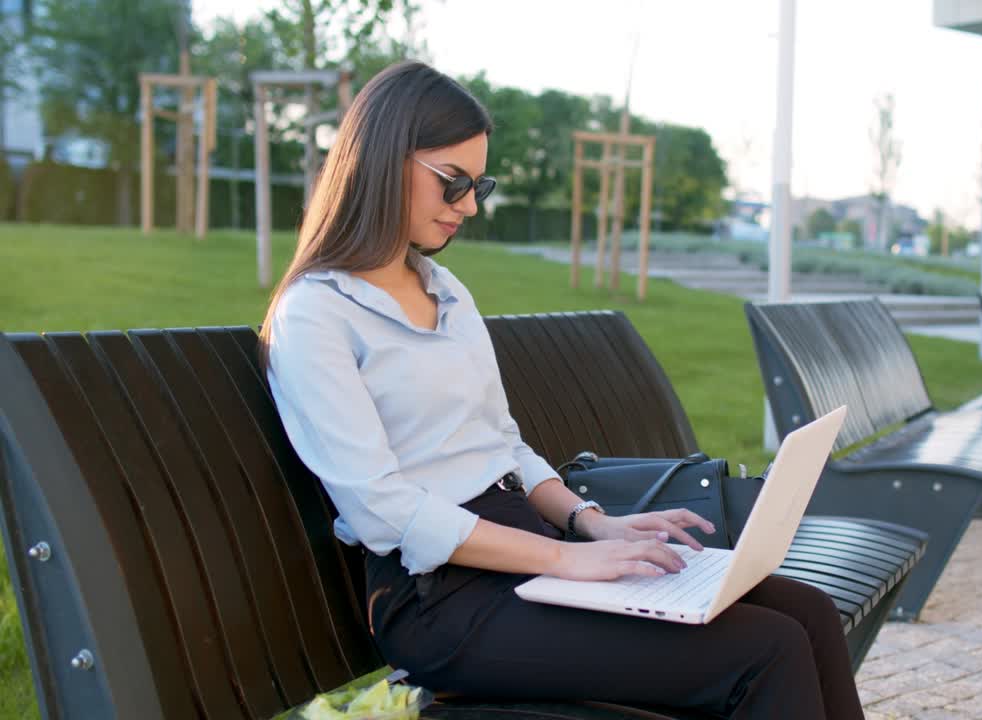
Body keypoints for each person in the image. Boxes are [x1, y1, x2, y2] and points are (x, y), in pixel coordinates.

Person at [260, 60, 864, 720]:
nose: (469, 206)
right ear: (380, 161)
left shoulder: (444, 290)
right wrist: (564, 559)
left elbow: (503, 445)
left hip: (527, 560)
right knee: (764, 650)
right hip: (443, 602)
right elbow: (383, 509)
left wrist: (593, 524)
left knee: (807, 611)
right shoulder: (315, 315)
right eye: (452, 183)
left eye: (478, 184)